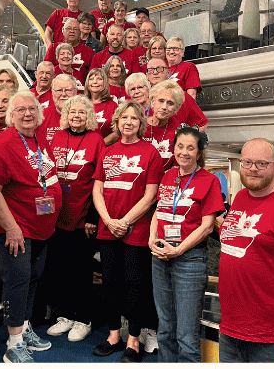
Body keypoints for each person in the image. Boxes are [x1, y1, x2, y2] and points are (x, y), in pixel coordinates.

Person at [0, 90, 65, 362]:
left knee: (32, 279)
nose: (27, 114)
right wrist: (11, 228)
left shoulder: (38, 137)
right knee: (18, 282)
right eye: (20, 110)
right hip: (15, 228)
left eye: (31, 108)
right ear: (11, 115)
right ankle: (14, 343)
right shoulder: (5, 142)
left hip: (40, 227)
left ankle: (25, 327)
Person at [90, 101, 162, 361]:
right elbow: (97, 189)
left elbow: (150, 195)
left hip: (136, 230)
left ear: (140, 123)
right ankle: (113, 335)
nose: (128, 122)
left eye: (134, 118)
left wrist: (125, 221)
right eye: (124, 118)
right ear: (117, 122)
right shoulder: (107, 150)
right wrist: (109, 220)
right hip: (108, 227)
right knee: (110, 283)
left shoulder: (150, 152)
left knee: (135, 285)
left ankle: (133, 340)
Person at [150, 125, 223, 363]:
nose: (184, 152)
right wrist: (151, 238)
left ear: (199, 151)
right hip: (160, 256)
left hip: (189, 260)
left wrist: (178, 250)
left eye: (190, 148)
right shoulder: (168, 175)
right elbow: (159, 211)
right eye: (180, 146)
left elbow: (207, 226)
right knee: (164, 328)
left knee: (186, 335)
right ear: (173, 148)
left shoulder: (210, 180)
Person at [218, 138, 274, 362]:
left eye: (261, 163)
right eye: (247, 162)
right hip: (230, 328)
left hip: (270, 337)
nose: (252, 169)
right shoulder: (240, 198)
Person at [41, 94, 105, 343]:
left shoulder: (95, 139)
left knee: (81, 271)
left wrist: (92, 216)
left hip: (83, 218)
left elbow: (101, 180)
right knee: (60, 270)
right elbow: (45, 171)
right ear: (65, 115)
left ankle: (83, 319)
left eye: (81, 112)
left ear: (88, 116)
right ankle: (65, 316)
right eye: (72, 112)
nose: (76, 116)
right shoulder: (56, 137)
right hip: (57, 216)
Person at [145, 59, 209, 131]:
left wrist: (186, 138)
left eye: (160, 69)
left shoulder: (182, 96)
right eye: (151, 70)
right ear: (147, 75)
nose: (155, 72)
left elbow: (202, 124)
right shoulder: (140, 97)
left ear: (168, 73)